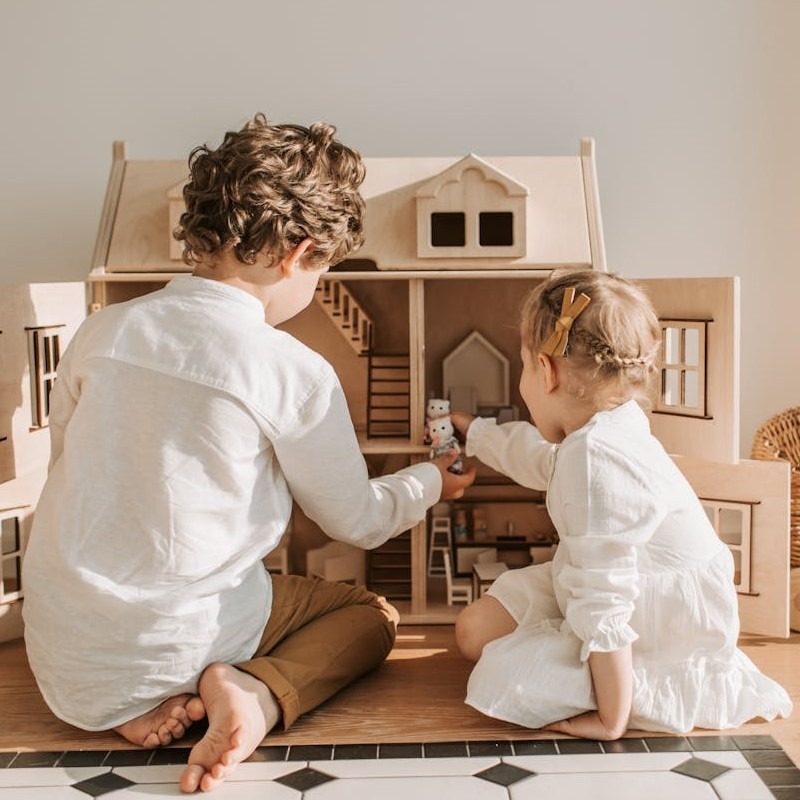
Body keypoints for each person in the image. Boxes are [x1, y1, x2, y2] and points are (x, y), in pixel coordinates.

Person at [22, 113, 474, 793]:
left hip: (63, 656)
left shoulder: (98, 332)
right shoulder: (289, 368)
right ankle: (257, 694)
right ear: (298, 254)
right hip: (179, 637)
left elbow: (68, 467)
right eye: (322, 271)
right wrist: (434, 481)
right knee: (368, 614)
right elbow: (356, 519)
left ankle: (127, 708)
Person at [450, 268, 792, 741]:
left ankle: (620, 689)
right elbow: (542, 462)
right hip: (602, 579)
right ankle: (571, 655)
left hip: (651, 618)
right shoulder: (605, 426)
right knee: (473, 631)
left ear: (546, 372)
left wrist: (611, 718)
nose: (523, 382)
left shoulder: (596, 459)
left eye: (525, 366)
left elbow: (604, 599)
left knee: (501, 679)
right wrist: (479, 434)